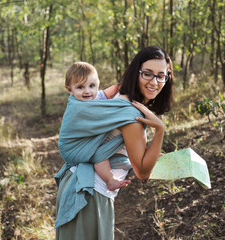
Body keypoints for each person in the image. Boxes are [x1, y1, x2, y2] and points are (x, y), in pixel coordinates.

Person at [55, 46, 174, 239]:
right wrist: (160, 130)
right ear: (137, 73)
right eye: (148, 74)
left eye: (161, 76)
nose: (155, 82)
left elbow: (124, 150)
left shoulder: (118, 97)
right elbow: (143, 173)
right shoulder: (131, 113)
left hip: (77, 186)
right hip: (90, 195)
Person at [64, 61, 131, 191]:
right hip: (85, 143)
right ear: (69, 89)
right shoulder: (77, 107)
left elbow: (111, 91)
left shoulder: (97, 96)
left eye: (92, 85)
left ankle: (144, 154)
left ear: (97, 84)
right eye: (80, 87)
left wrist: (124, 86)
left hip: (98, 138)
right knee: (99, 157)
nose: (87, 91)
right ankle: (109, 180)